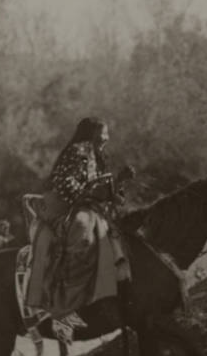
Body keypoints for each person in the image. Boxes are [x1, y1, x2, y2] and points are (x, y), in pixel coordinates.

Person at [27, 117, 133, 340]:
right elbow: (64, 181)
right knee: (83, 229)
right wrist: (89, 194)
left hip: (88, 206)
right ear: (91, 134)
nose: (106, 138)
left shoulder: (99, 155)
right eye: (102, 134)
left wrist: (119, 183)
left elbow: (102, 186)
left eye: (107, 134)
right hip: (64, 206)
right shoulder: (77, 151)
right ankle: (64, 303)